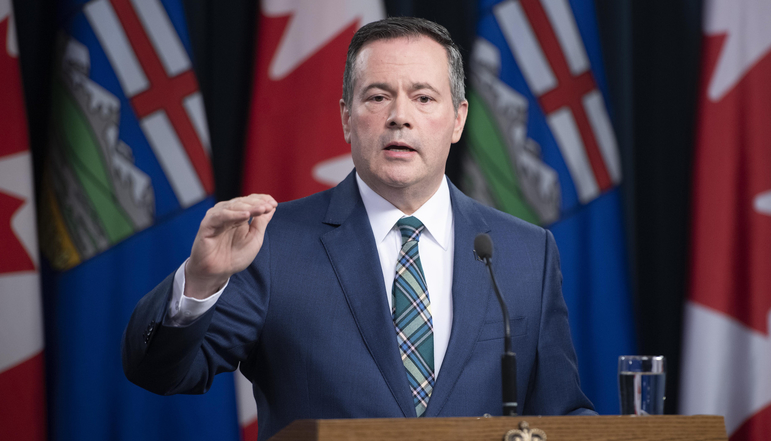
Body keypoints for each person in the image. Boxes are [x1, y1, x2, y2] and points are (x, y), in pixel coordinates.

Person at [123, 17, 594, 441]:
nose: (400, 116)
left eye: (424, 97)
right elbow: (161, 374)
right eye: (378, 96)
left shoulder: (525, 252)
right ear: (347, 118)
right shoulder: (269, 243)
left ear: (458, 119)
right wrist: (201, 281)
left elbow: (561, 413)